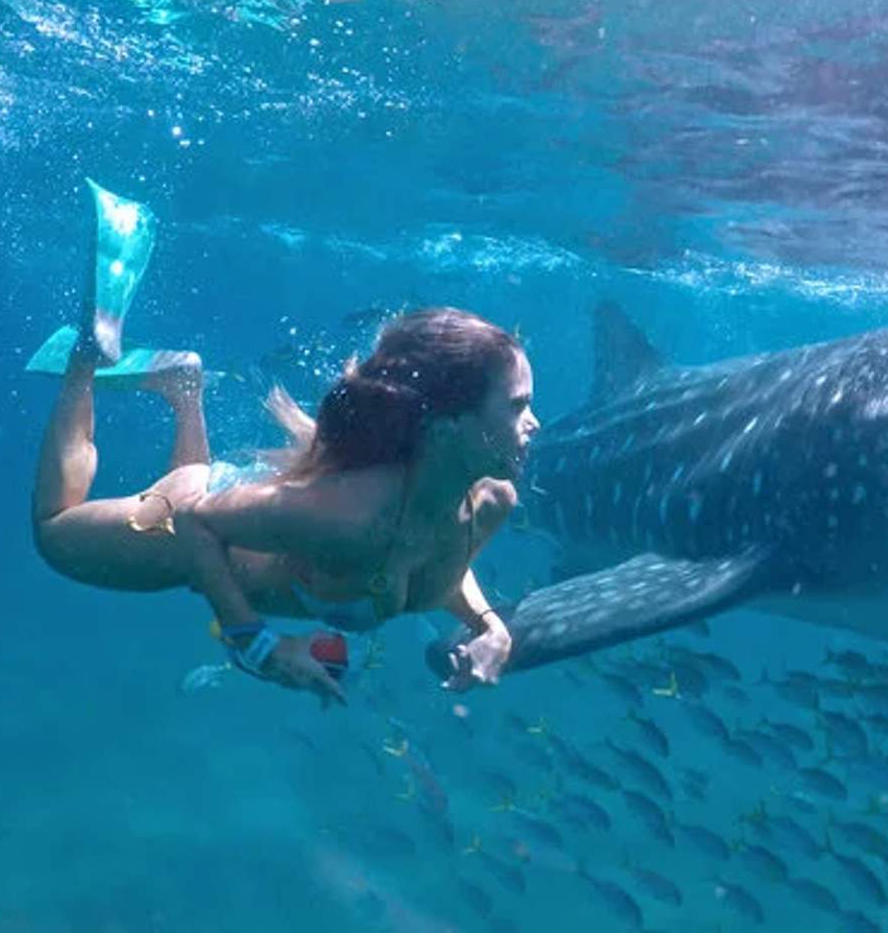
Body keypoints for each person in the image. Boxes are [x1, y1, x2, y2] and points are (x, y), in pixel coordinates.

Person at [28, 181, 539, 705]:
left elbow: (440, 567)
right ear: (449, 422)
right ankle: (87, 357)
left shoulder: (488, 503)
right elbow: (199, 520)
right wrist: (255, 643)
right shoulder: (352, 517)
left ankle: (184, 389)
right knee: (53, 534)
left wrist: (489, 626)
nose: (536, 424)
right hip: (189, 519)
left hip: (246, 516)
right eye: (518, 406)